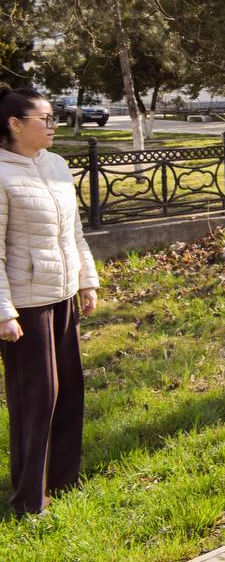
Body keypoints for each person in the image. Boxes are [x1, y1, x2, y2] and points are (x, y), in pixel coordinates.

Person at [0, 85, 100, 517]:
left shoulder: (57, 165)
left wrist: (87, 281)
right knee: (36, 400)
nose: (53, 125)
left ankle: (64, 480)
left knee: (69, 392)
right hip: (26, 307)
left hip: (62, 296)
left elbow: (73, 232)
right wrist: (4, 311)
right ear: (15, 124)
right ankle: (29, 500)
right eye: (45, 119)